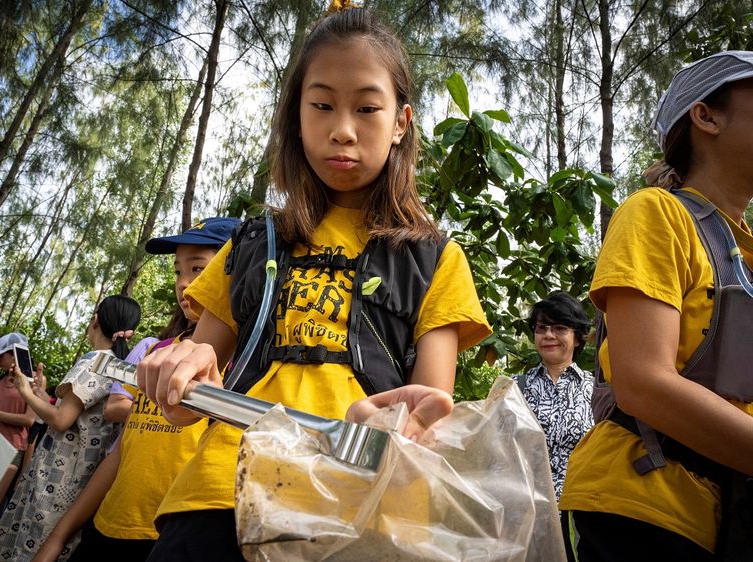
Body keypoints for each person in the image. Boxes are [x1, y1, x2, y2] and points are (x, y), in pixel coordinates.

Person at [136, 5, 491, 561]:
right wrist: (178, 372)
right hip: (221, 492)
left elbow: (430, 415)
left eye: (368, 108)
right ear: (296, 117)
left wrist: (396, 425)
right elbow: (193, 383)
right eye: (321, 105)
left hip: (358, 500)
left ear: (401, 121)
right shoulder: (251, 244)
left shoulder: (435, 258)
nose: (342, 129)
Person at [559, 51, 753, 561]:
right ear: (706, 117)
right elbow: (644, 383)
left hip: (726, 516)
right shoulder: (657, 214)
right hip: (645, 507)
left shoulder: (745, 253)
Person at [32, 218, 239, 562]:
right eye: (178, 272)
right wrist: (59, 536)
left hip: (167, 539)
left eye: (200, 269)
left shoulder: (240, 368)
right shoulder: (158, 355)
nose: (184, 283)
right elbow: (122, 450)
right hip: (107, 527)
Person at [0, 295, 141, 561]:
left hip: (57, 477)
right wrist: (40, 394)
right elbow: (74, 416)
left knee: (30, 547)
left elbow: (60, 420)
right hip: (84, 483)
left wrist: (24, 390)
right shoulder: (122, 368)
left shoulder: (94, 360)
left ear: (95, 321)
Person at [512, 291, 594, 503]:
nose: (549, 335)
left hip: (580, 517)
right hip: (527, 515)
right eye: (542, 328)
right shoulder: (513, 389)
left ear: (577, 338)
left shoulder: (596, 391)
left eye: (559, 328)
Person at [0, 332, 36, 539]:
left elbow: (29, 420)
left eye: (1, 356)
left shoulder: (34, 381)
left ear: (14, 354)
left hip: (10, 449)